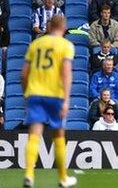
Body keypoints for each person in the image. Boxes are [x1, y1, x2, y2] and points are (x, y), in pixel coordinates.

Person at [21, 15, 78, 187]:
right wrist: (67, 100)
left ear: (49, 26)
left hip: (35, 94)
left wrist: (26, 95)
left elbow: (23, 74)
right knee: (58, 135)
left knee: (34, 135)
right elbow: (66, 73)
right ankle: (62, 178)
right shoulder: (66, 45)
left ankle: (29, 175)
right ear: (64, 27)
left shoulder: (35, 44)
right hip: (55, 95)